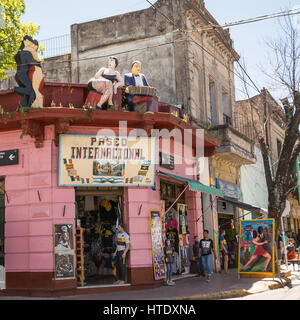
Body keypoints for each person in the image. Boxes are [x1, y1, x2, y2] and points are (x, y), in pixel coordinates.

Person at [14, 35, 44, 108]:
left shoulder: (23, 52)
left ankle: (23, 106)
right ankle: (15, 89)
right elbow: (33, 62)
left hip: (21, 74)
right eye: (30, 43)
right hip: (23, 74)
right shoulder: (25, 52)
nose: (32, 46)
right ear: (25, 41)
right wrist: (34, 54)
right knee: (31, 91)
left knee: (29, 92)